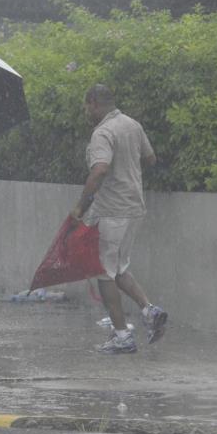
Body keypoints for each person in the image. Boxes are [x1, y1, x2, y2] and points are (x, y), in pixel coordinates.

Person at [70, 84, 167, 354]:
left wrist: (80, 206)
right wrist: (128, 169)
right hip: (134, 207)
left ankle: (122, 335)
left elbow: (100, 170)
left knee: (104, 272)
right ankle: (149, 311)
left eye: (86, 106)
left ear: (93, 103)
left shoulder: (103, 132)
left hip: (111, 209)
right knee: (119, 267)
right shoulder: (132, 125)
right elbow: (150, 158)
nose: (86, 111)